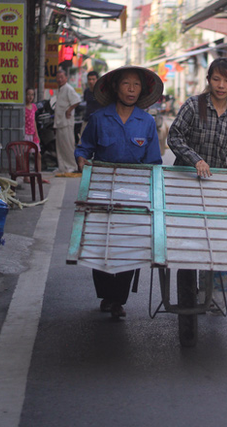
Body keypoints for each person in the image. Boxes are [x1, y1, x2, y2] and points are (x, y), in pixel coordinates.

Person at [75, 65, 163, 318]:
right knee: (101, 244)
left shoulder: (146, 122)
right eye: (126, 84)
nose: (131, 89)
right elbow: (84, 149)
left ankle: (118, 300)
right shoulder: (99, 119)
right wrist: (82, 161)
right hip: (102, 192)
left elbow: (154, 162)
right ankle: (105, 294)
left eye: (136, 85)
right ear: (115, 87)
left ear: (142, 90)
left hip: (133, 194)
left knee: (127, 246)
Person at [167, 57, 227, 314]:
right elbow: (174, 136)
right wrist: (196, 160)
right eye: (216, 79)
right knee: (188, 242)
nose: (221, 85)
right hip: (184, 184)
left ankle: (214, 298)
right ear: (208, 80)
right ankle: (187, 293)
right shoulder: (193, 105)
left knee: (217, 243)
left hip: (216, 190)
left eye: (226, 80)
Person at [54, 69, 81, 173]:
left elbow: (77, 100)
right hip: (59, 122)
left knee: (68, 145)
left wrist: (69, 110)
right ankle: (62, 167)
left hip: (66, 122)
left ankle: (72, 166)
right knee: (60, 147)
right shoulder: (60, 89)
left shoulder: (68, 88)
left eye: (62, 77)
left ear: (66, 78)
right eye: (58, 77)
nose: (60, 79)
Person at [81, 70, 101, 136]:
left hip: (98, 121)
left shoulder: (101, 92)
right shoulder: (86, 91)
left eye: (93, 79)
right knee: (83, 140)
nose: (91, 81)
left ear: (97, 80)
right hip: (87, 119)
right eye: (89, 79)